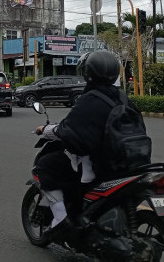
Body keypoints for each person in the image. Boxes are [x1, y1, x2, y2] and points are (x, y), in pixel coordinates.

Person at [33, 50, 127, 239]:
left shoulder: (90, 99)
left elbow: (69, 130)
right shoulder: (122, 97)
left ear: (88, 73)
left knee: (47, 164)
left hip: (101, 165)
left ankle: (60, 220)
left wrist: (45, 130)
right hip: (126, 162)